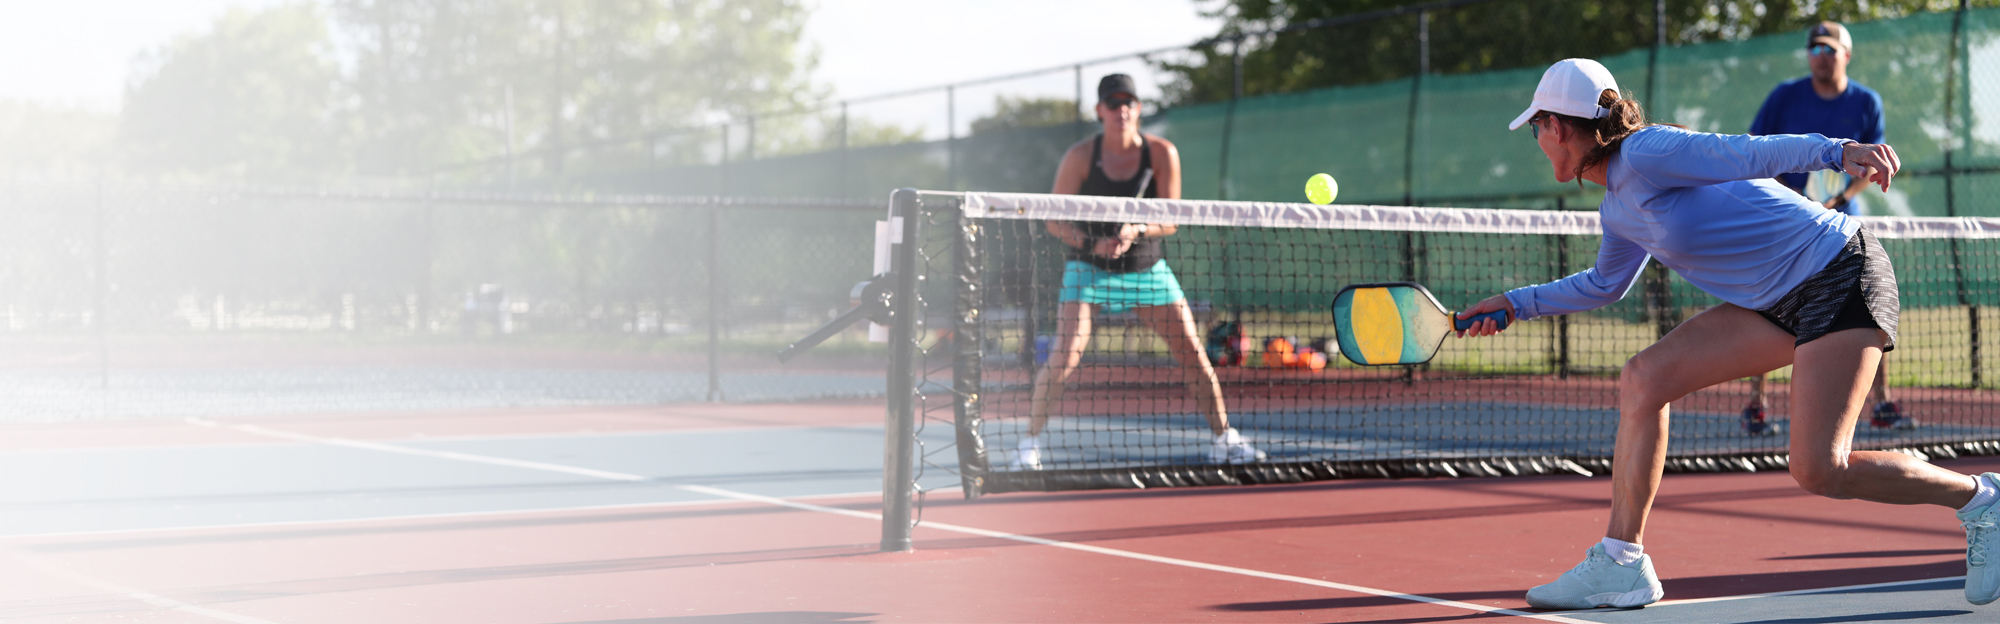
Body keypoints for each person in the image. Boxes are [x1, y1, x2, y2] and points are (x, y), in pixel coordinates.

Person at [1455, 58, 2000, 609]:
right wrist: (1515, 304)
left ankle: (1982, 499)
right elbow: (1604, 285)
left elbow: (1747, 152)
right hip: (1772, 302)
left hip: (1838, 272)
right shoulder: (1618, 208)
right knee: (1645, 378)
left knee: (1820, 469)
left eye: (1536, 126)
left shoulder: (1647, 151)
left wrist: (1838, 151)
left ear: (1556, 126)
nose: (1537, 138)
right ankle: (1621, 562)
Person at [1012, 74, 1265, 470]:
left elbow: (1171, 220)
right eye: (1113, 103)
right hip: (1088, 268)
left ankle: (1224, 439)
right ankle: (1028, 446)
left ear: (1138, 108)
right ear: (1100, 111)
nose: (1122, 110)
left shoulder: (1162, 152)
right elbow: (1053, 220)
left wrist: (1138, 229)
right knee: (1065, 356)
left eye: (1128, 102)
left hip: (1147, 268)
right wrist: (1090, 244)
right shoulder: (1080, 157)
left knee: (1194, 354)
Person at [1740, 21, 1907, 434]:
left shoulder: (1866, 101)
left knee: (1869, 304)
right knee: (1766, 299)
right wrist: (1789, 197)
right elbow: (1754, 149)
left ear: (1846, 55)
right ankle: (1755, 405)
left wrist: (1836, 199)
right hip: (1786, 216)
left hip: (1842, 228)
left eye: (1829, 49)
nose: (1821, 56)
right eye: (1814, 49)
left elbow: (1873, 163)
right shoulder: (1784, 95)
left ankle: (1882, 403)